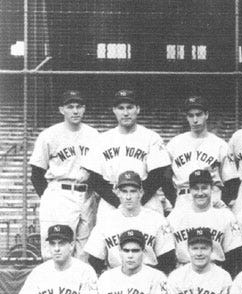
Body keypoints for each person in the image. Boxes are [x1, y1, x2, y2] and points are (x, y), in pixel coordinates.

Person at [83, 89, 172, 225]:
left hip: (145, 201)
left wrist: (137, 201)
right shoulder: (102, 139)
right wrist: (119, 202)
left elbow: (159, 175)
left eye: (130, 107)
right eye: (121, 108)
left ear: (138, 109)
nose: (125, 113)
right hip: (111, 202)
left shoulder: (151, 137)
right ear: (114, 110)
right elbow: (94, 179)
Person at [29, 90, 99, 258]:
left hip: (87, 194)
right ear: (62, 109)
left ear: (84, 109)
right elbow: (36, 174)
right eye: (70, 107)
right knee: (58, 249)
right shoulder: (49, 135)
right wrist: (50, 196)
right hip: (60, 192)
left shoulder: (94, 135)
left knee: (85, 253)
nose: (75, 111)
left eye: (79, 107)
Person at [83, 171, 175, 275]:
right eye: (124, 191)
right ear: (117, 192)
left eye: (133, 191)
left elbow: (167, 259)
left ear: (141, 192)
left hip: (148, 276)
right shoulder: (106, 221)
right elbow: (94, 260)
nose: (128, 197)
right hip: (116, 277)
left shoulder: (157, 220)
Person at [167, 169, 242, 276]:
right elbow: (168, 256)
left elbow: (234, 255)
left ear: (211, 188)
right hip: (184, 272)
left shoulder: (225, 215)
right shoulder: (175, 216)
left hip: (216, 271)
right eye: (195, 189)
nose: (200, 193)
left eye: (204, 188)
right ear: (189, 190)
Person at [166, 95, 234, 210]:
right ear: (186, 117)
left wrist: (223, 201)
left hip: (211, 198)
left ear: (206, 115)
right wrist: (173, 200)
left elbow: (231, 180)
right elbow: (165, 178)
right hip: (183, 197)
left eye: (199, 114)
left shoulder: (220, 145)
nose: (195, 120)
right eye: (191, 115)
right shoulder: (174, 144)